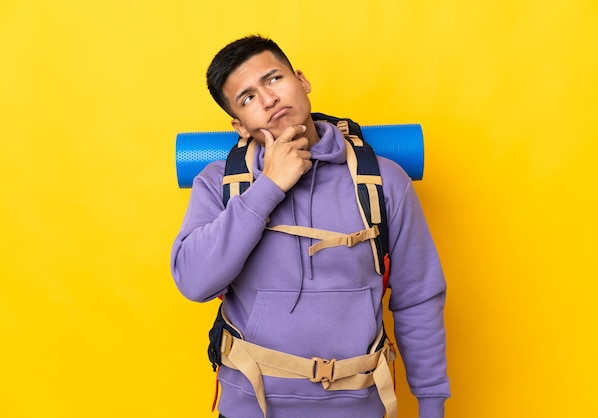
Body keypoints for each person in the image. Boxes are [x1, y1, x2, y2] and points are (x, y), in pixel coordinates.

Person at [171, 34, 450, 418]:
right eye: (248, 97)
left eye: (273, 79)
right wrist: (267, 188)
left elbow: (418, 298)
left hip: (359, 406)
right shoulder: (218, 182)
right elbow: (194, 282)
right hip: (250, 406)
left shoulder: (382, 181)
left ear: (301, 81)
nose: (268, 99)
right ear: (238, 124)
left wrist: (432, 404)